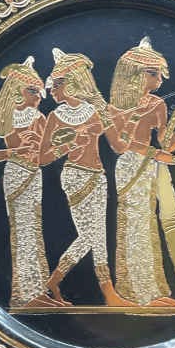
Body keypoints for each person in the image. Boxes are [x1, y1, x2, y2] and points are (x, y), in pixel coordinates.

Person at [108, 36, 175, 307]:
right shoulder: (112, 108)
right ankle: (138, 293)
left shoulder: (157, 104)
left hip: (151, 166)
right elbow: (120, 146)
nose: (160, 80)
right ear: (134, 74)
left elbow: (168, 143)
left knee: (149, 226)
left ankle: (153, 290)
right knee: (134, 227)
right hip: (130, 168)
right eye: (154, 73)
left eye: (160, 74)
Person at [40, 47, 135, 307]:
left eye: (56, 84)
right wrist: (71, 143)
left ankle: (55, 281)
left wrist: (127, 121)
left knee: (94, 236)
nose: (52, 90)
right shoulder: (55, 117)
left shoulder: (96, 112)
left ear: (71, 84)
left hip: (98, 176)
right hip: (74, 177)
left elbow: (119, 145)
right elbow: (42, 158)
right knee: (94, 236)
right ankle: (108, 293)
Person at [0, 56, 63, 309]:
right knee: (24, 232)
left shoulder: (38, 118)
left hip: (33, 175)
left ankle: (36, 292)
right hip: (16, 174)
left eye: (39, 92)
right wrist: (14, 152)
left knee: (33, 232)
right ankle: (25, 295)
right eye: (33, 91)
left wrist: (63, 145)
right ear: (17, 91)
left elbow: (43, 157)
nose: (39, 97)